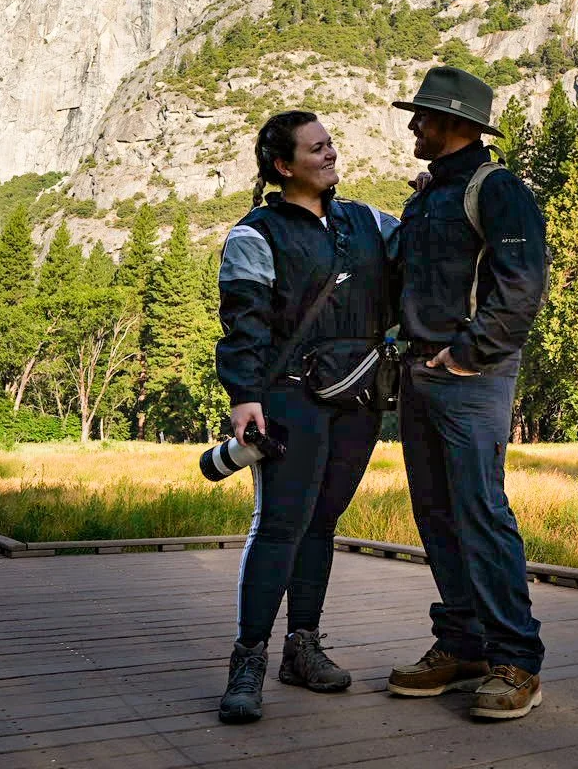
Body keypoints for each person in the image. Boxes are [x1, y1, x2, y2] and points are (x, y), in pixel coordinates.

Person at [214, 110, 398, 724]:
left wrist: (431, 203)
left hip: (359, 399)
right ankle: (248, 662)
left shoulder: (370, 222)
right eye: (316, 149)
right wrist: (244, 397)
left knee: (322, 523)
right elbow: (245, 323)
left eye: (331, 145)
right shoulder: (255, 235)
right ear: (283, 165)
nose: (330, 155)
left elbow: (424, 255)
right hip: (290, 398)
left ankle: (303, 647)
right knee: (280, 525)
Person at [387, 66, 549, 721]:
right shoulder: (427, 196)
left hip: (470, 378)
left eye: (422, 115)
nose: (412, 125)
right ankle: (463, 645)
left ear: (456, 123)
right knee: (435, 514)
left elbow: (521, 287)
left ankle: (516, 660)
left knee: (480, 511)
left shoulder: (500, 189)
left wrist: (465, 355)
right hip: (418, 377)